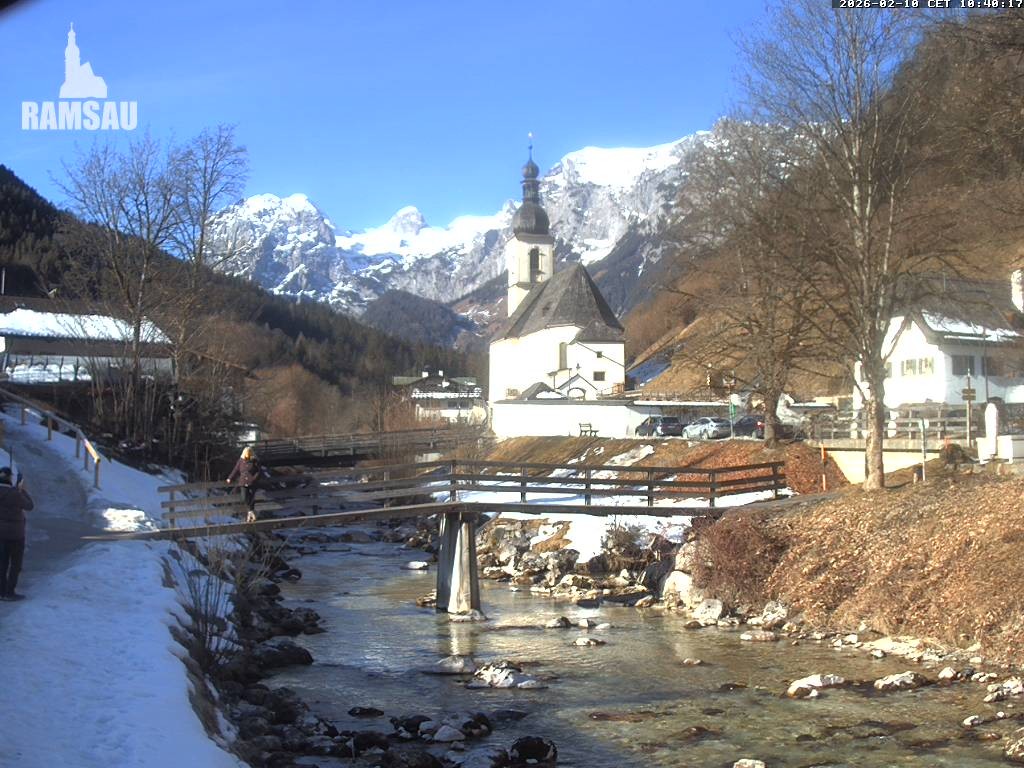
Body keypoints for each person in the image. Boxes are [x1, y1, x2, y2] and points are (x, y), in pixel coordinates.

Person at [0, 467, 34, 601]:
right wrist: (23, 491)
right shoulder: (15, 493)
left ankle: (1, 591)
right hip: (16, 535)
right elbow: (29, 506)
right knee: (15, 564)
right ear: (9, 478)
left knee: (1, 563)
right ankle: (9, 592)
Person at [227, 446, 261, 523]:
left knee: (251, 498)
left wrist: (254, 479)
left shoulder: (255, 461)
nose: (247, 455)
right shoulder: (240, 461)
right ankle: (251, 512)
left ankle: (250, 515)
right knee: (244, 497)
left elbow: (259, 472)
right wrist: (230, 478)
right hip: (243, 482)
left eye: (248, 454)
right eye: (246, 454)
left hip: (252, 482)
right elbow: (235, 469)